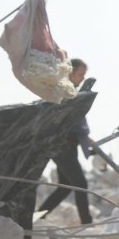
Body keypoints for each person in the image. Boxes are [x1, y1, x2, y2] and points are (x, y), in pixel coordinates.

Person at [37, 58, 94, 224]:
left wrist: (85, 137)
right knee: (80, 183)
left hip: (68, 144)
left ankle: (41, 215)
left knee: (66, 185)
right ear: (70, 73)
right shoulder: (61, 91)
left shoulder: (70, 93)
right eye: (80, 74)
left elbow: (74, 122)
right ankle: (87, 222)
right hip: (61, 145)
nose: (82, 78)